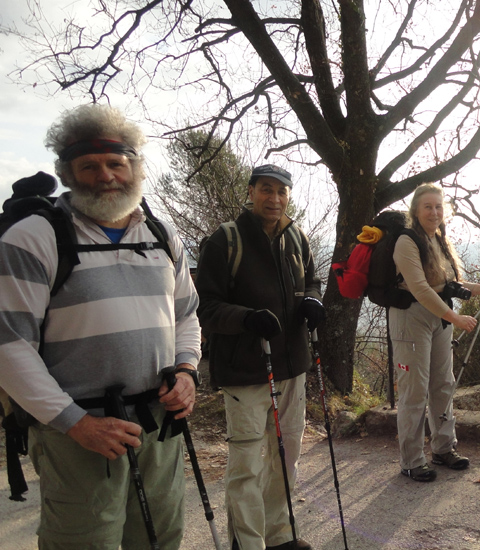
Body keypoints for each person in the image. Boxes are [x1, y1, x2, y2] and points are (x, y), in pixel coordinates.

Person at [0, 104, 201, 549]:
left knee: (160, 538)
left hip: (157, 423)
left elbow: (185, 315)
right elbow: (9, 346)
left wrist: (186, 371)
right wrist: (76, 424)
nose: (105, 175)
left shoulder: (163, 235)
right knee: (84, 542)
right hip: (78, 434)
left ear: (136, 166)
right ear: (68, 174)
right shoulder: (33, 238)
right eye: (88, 166)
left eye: (116, 162)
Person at [195, 164, 324, 550]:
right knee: (248, 462)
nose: (275, 199)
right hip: (244, 369)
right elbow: (205, 307)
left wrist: (314, 299)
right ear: (250, 192)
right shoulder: (225, 241)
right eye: (266, 190)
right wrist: (247, 319)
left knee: (286, 457)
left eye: (282, 192)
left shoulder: (296, 237)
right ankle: (248, 543)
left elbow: (312, 280)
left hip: (292, 364)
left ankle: (279, 535)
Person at [391, 183, 480, 482]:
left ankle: (443, 448)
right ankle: (411, 460)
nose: (434, 212)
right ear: (416, 210)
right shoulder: (406, 241)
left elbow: (448, 284)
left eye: (439, 207)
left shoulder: (438, 240)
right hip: (411, 317)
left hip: (438, 317)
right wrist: (455, 318)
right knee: (414, 391)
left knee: (443, 384)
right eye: (428, 207)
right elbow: (422, 289)